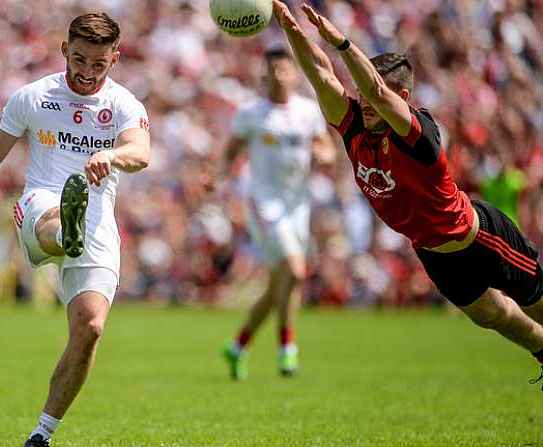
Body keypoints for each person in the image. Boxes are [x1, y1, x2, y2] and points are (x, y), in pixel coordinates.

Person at [271, 0, 543, 388]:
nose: (363, 101)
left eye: (371, 94)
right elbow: (321, 75)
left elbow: (378, 93)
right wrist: (291, 30)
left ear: (403, 95)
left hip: (480, 238)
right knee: (491, 316)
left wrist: (343, 43)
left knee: (537, 301)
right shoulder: (355, 129)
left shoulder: (422, 132)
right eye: (361, 95)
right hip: (433, 252)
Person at [0, 12, 150, 446]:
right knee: (53, 220)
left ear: (115, 58)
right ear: (64, 51)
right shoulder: (33, 97)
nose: (88, 72)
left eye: (99, 64)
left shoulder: (124, 104)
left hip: (98, 217)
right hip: (40, 201)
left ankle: (42, 434)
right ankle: (63, 232)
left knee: (90, 328)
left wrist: (111, 156)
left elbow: (141, 150)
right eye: (79, 60)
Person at [220, 49, 334, 380]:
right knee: (296, 272)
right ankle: (288, 348)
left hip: (298, 204)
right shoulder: (252, 114)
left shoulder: (307, 111)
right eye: (273, 70)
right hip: (263, 201)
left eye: (285, 70)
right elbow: (230, 152)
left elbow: (325, 146)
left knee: (280, 284)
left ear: (295, 75)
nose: (279, 76)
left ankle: (238, 345)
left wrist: (324, 155)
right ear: (264, 75)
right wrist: (216, 175)